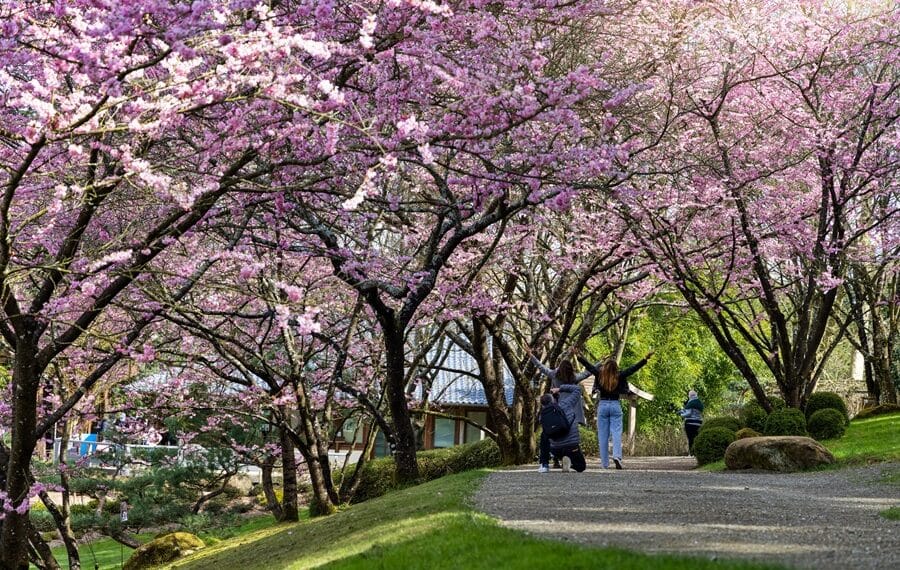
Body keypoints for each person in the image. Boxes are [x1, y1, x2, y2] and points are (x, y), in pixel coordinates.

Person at [527, 347, 599, 470]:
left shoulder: (554, 375)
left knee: (553, 432)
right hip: (572, 410)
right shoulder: (574, 378)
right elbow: (588, 372)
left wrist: (531, 356)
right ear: (571, 370)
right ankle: (570, 456)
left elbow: (541, 367)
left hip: (557, 409)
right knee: (570, 433)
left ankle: (553, 460)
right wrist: (599, 363)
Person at [579, 351, 653, 469]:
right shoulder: (620, 375)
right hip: (615, 405)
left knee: (603, 435)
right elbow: (633, 369)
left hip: (602, 405)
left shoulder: (600, 374)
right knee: (616, 433)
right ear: (616, 368)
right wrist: (645, 359)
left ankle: (604, 463)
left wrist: (579, 356)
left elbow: (589, 367)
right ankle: (617, 456)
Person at [538, 381, 587, 473]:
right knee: (581, 467)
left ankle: (546, 464)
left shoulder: (543, 416)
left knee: (544, 435)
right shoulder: (566, 404)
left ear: (543, 404)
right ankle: (570, 461)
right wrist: (560, 388)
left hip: (556, 449)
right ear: (553, 398)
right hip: (572, 445)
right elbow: (577, 389)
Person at [678, 390, 704, 455]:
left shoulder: (691, 402)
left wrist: (681, 414)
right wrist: (683, 411)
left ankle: (692, 453)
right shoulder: (699, 403)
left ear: (689, 395)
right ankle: (697, 453)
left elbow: (688, 413)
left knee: (691, 438)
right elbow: (694, 412)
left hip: (690, 423)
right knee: (696, 438)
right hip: (699, 422)